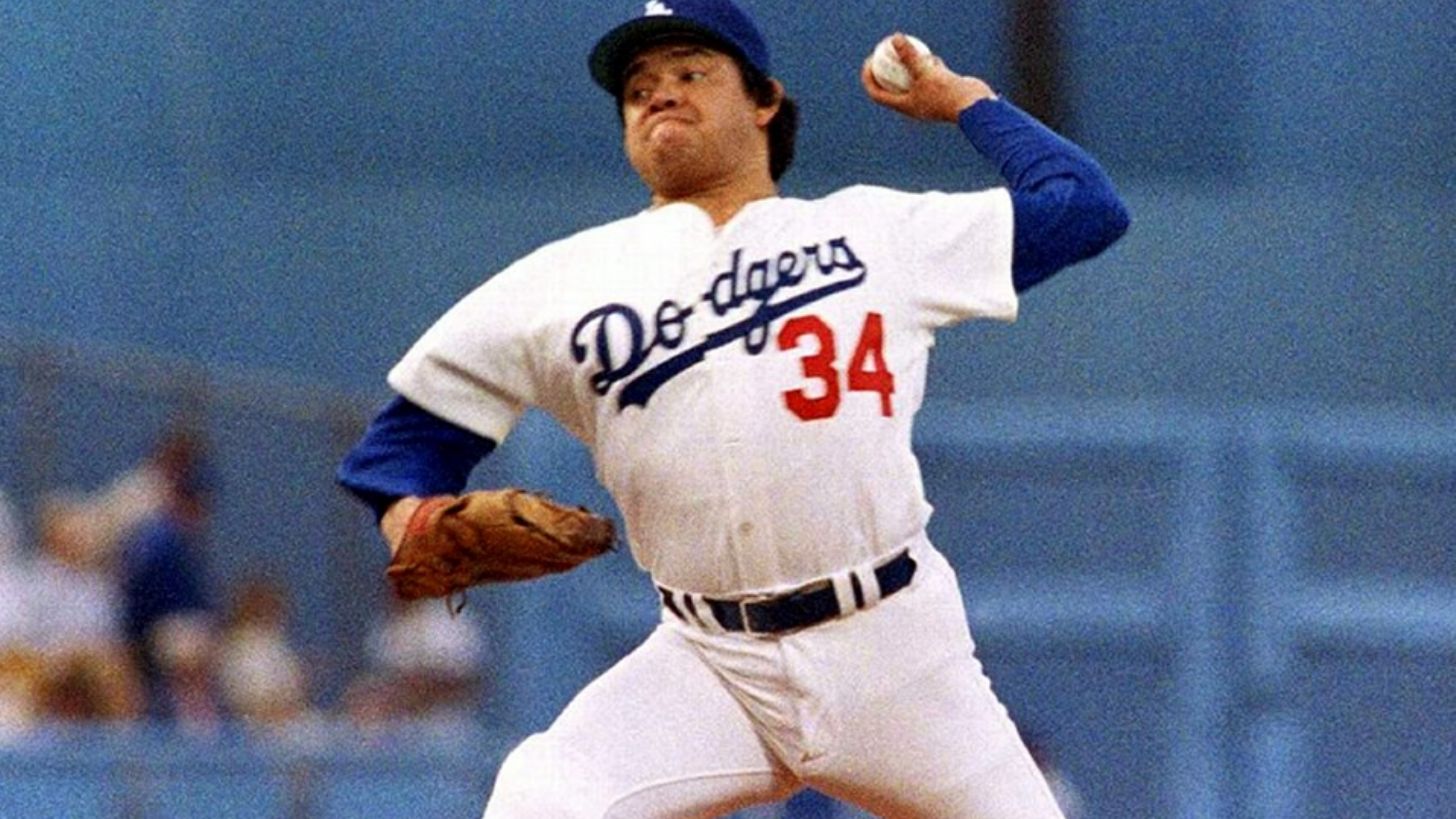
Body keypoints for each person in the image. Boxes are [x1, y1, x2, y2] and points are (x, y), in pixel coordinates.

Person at [337, 1, 1129, 816]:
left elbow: (1083, 206)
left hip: (893, 648)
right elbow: (403, 444)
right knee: (540, 794)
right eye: (638, 87)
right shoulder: (561, 283)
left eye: (691, 72)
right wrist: (410, 517)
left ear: (764, 101)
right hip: (709, 662)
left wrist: (965, 100)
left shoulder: (875, 233)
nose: (659, 92)